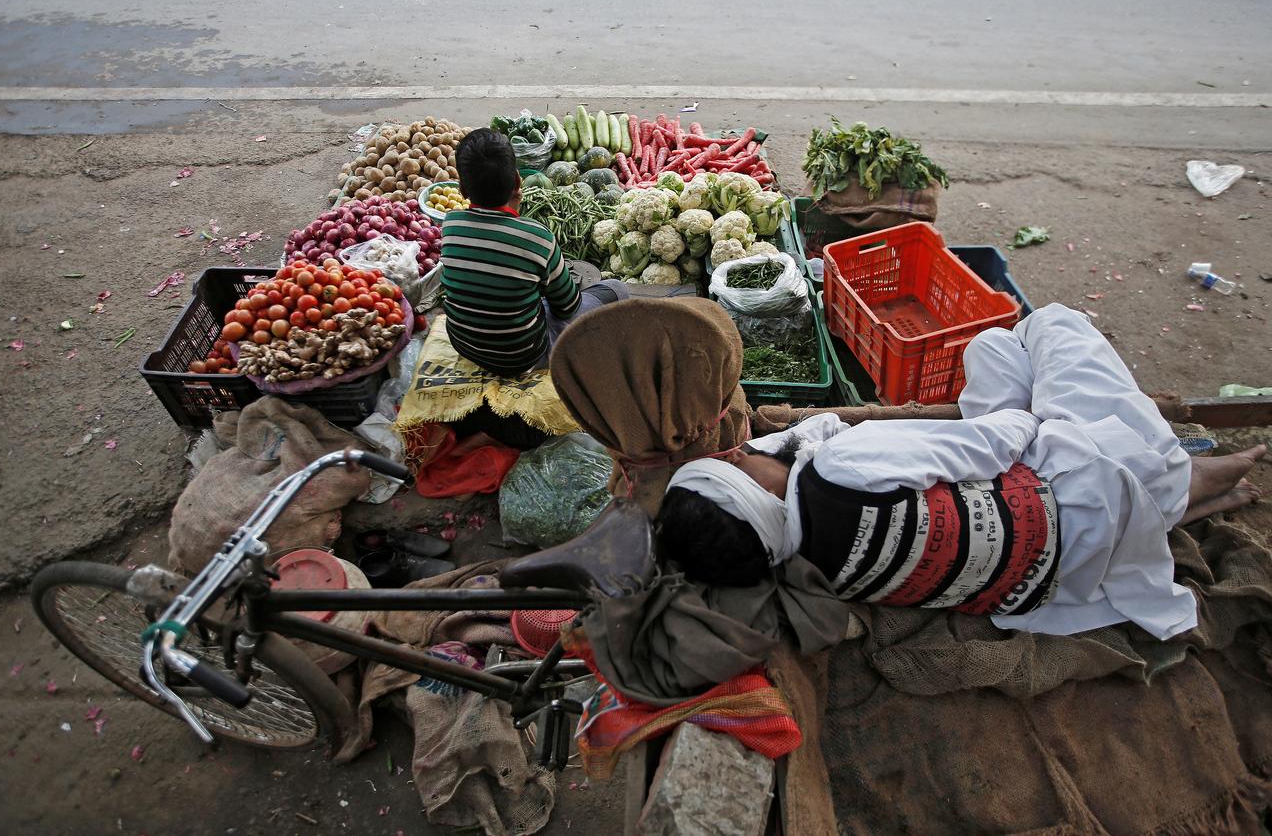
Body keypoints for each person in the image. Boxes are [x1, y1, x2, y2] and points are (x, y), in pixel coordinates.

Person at [656, 304, 1265, 639]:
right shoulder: (841, 469)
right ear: (753, 484)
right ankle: (1184, 480)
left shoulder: (799, 561)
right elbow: (995, 443)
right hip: (1086, 490)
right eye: (733, 463)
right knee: (1053, 324)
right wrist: (1037, 419)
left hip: (1049, 581)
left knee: (990, 350)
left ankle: (1180, 493)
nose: (740, 450)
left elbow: (815, 441)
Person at [440, 128, 627, 376]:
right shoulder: (537, 236)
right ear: (518, 181)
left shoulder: (450, 224)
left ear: (462, 189)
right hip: (524, 357)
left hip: (465, 346)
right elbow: (567, 308)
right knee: (617, 289)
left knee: (525, 293)